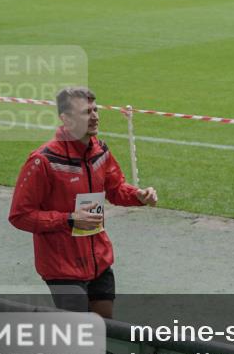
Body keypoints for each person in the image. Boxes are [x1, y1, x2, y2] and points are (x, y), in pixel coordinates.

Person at [9, 87, 158, 318]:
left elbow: (116, 188)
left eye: (95, 109)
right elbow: (20, 215)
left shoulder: (100, 150)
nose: (95, 116)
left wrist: (138, 195)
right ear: (66, 119)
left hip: (99, 260)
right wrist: (69, 219)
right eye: (86, 112)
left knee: (106, 329)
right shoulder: (43, 161)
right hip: (62, 267)